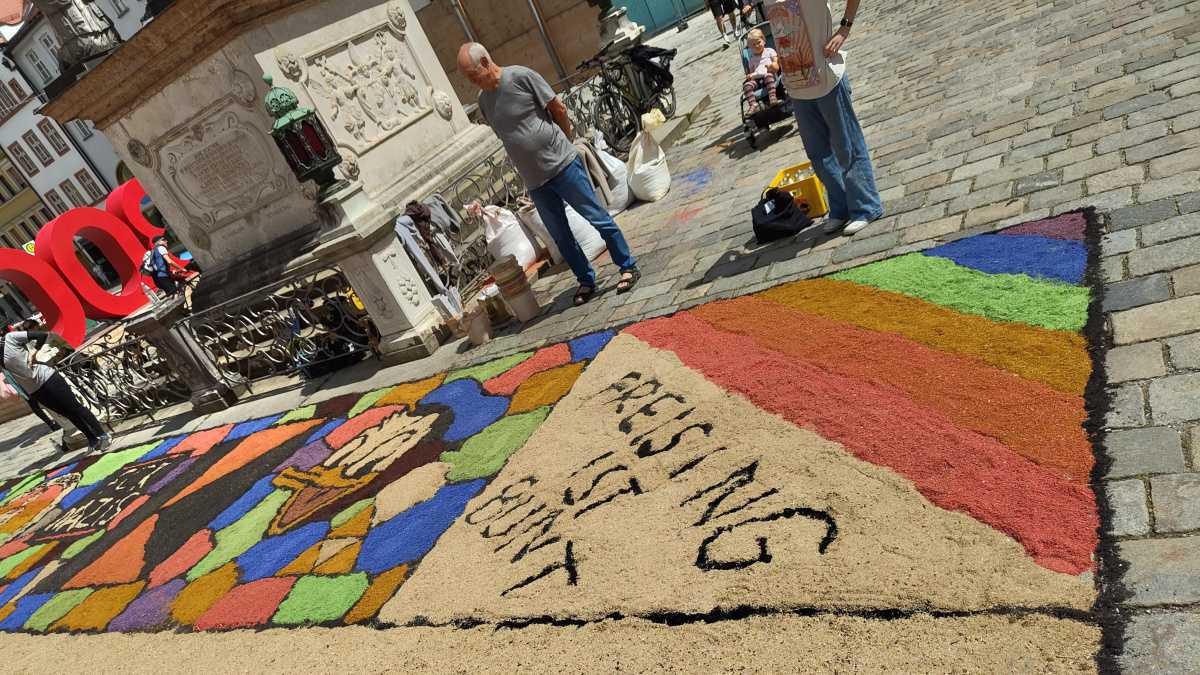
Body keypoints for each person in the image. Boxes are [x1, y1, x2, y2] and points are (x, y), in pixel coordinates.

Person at [458, 42, 641, 306]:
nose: (473, 82)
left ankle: (627, 265)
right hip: (535, 182)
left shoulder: (521, 77)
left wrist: (563, 143)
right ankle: (586, 280)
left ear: (485, 63)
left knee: (597, 219)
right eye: (468, 78)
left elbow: (559, 109)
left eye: (473, 75)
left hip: (563, 166)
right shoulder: (483, 101)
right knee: (561, 236)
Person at [768, 0, 882, 236]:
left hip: (827, 77)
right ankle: (840, 209)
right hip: (796, 86)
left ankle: (866, 207)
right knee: (818, 154)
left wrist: (844, 28)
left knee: (846, 146)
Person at [1, 325, 109, 452]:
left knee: (75, 408)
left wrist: (35, 354)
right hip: (34, 390)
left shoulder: (10, 338)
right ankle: (92, 439)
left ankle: (103, 435)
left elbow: (43, 335)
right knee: (67, 413)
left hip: (48, 378)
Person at [743, 28, 780, 114]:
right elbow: (751, 72)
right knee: (747, 85)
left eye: (758, 42)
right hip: (757, 80)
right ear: (750, 48)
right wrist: (750, 76)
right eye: (753, 45)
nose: (757, 46)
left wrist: (772, 66)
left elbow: (776, 64)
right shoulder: (751, 59)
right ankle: (753, 104)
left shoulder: (769, 51)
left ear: (763, 40)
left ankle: (772, 97)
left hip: (769, 76)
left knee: (768, 76)